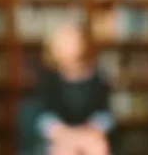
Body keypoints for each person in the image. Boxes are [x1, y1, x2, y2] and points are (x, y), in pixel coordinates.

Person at [35, 23, 115, 155]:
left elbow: (106, 113)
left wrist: (90, 131)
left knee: (97, 149)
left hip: (91, 134)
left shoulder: (97, 77)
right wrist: (64, 134)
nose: (68, 48)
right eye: (63, 44)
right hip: (61, 136)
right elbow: (43, 116)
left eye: (72, 42)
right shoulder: (49, 79)